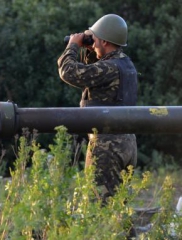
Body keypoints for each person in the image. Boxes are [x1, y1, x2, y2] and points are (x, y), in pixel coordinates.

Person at [57, 14, 138, 202]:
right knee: (118, 206)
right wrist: (92, 48)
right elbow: (95, 75)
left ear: (104, 41)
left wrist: (73, 46)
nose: (92, 42)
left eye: (95, 39)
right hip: (127, 144)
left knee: (99, 208)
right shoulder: (125, 64)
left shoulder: (108, 68)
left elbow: (68, 72)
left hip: (107, 146)